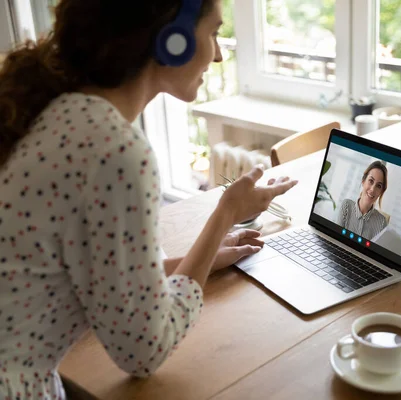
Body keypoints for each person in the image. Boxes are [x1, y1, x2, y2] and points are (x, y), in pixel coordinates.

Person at [0, 0, 297, 398]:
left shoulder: (62, 110)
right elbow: (143, 350)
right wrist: (226, 212)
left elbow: (98, 278)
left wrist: (202, 259)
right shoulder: (113, 149)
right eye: (212, 33)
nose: (220, 53)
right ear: (171, 40)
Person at [336, 161, 388, 240]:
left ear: (381, 192)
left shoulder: (382, 222)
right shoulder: (346, 206)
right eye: (371, 181)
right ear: (363, 181)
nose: (372, 189)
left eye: (378, 186)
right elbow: (336, 239)